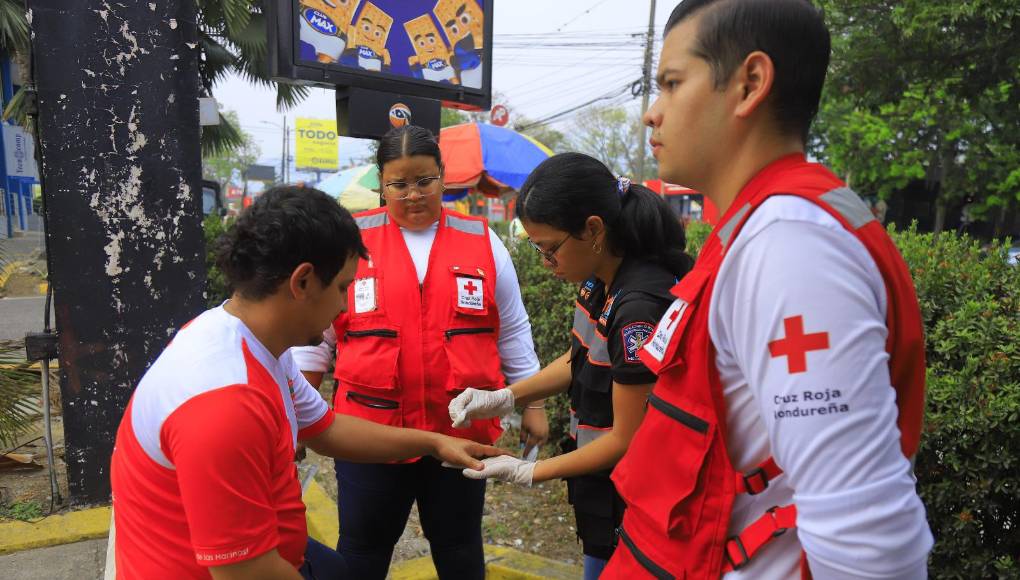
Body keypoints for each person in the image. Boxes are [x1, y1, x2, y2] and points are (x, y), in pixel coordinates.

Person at [602, 1, 934, 578]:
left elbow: (867, 542)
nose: (651, 115)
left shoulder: (789, 246)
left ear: (750, 84)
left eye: (672, 84)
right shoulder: (759, 228)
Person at [108, 186, 500, 580]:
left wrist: (432, 442)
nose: (346, 306)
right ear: (303, 282)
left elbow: (326, 428)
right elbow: (247, 572)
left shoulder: (250, 338)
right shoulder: (224, 405)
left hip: (277, 550)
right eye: (344, 287)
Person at [291, 125, 542, 580]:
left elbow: (512, 329)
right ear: (380, 184)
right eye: (399, 184)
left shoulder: (483, 241)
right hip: (369, 435)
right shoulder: (350, 242)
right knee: (362, 552)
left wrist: (534, 403)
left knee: (459, 547)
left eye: (424, 181)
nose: (413, 194)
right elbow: (316, 338)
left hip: (458, 432)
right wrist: (295, 420)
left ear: (443, 177)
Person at [449, 152, 694, 579]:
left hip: (636, 500)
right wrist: (506, 396)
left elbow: (627, 438)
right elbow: (579, 359)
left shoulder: (638, 309)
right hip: (602, 490)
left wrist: (532, 471)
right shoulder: (600, 281)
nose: (547, 263)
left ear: (593, 230)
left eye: (550, 249)